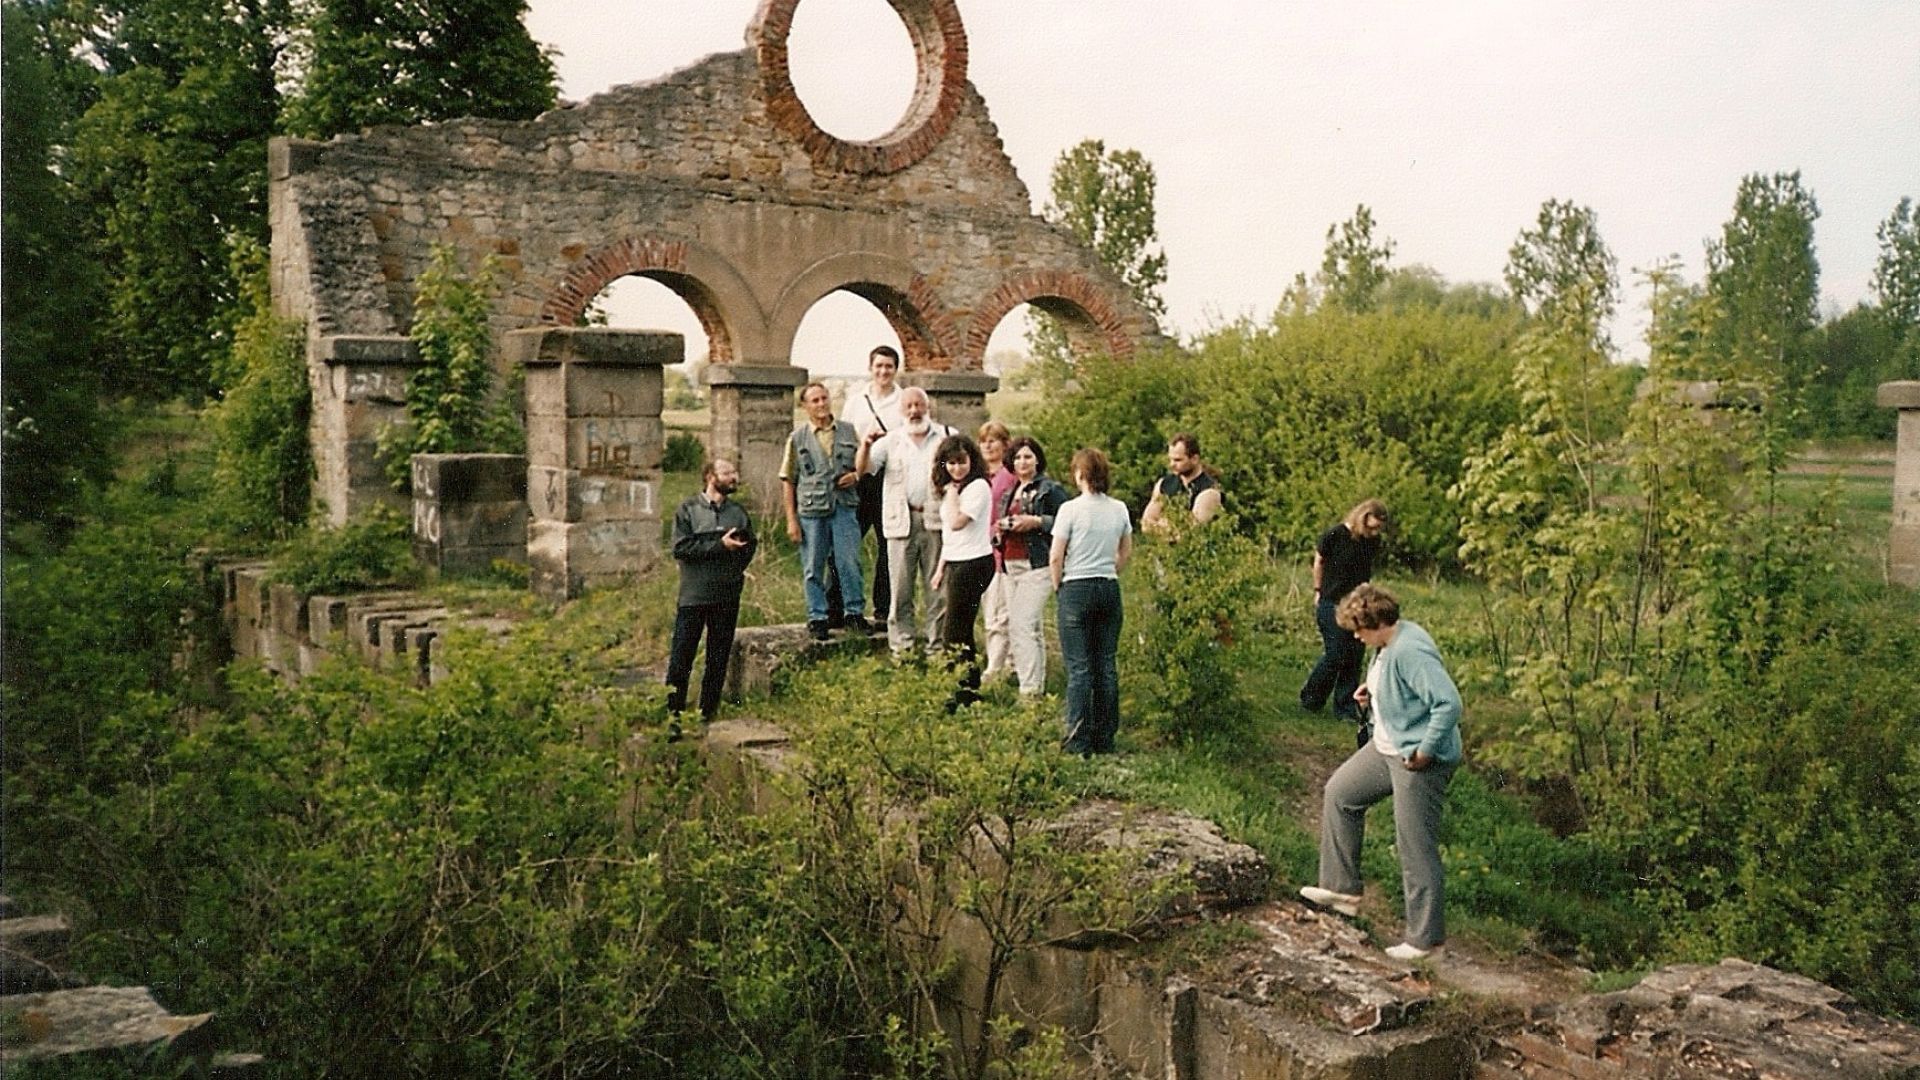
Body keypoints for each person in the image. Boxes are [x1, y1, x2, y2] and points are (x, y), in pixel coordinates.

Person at [1299, 583, 1462, 962]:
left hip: (1417, 759)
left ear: (1375, 623)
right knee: (1340, 794)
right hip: (1385, 747)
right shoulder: (1387, 645)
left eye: (1358, 630)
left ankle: (1426, 941)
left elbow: (1448, 704)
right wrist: (1372, 695)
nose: (1356, 637)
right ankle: (1342, 891)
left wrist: (1425, 751)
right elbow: (1398, 686)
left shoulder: (1410, 649)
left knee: (1414, 843)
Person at [855, 386, 956, 657]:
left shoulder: (946, 437)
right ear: (901, 411)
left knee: (937, 589)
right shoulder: (891, 441)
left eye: (918, 405)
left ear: (928, 407)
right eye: (908, 406)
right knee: (900, 589)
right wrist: (865, 445)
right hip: (900, 520)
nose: (914, 411)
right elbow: (863, 470)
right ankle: (903, 649)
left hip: (936, 520)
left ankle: (937, 649)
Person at [1050, 448, 1133, 755]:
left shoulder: (1070, 510)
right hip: (1108, 586)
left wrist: (1059, 585)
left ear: (1080, 475)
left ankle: (1077, 737)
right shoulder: (1119, 509)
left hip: (1076, 585)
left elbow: (1057, 554)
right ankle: (1105, 735)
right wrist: (1112, 570)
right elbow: (1126, 550)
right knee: (1106, 665)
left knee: (1079, 667)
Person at [665, 458, 757, 726]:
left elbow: (750, 545)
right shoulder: (688, 509)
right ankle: (673, 718)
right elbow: (681, 549)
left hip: (726, 596)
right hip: (693, 596)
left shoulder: (738, 513)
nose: (734, 477)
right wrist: (719, 546)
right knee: (682, 659)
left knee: (718, 660)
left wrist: (734, 569)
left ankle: (707, 716)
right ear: (710, 476)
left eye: (734, 472)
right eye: (727, 472)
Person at [781, 381, 869, 642]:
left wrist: (856, 475)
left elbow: (862, 465)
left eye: (824, 398)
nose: (821, 404)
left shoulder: (848, 430)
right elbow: (788, 479)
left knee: (849, 562)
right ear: (805, 406)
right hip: (811, 511)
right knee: (812, 566)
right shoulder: (797, 438)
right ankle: (817, 617)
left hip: (844, 507)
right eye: (815, 400)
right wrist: (791, 520)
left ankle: (853, 613)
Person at [1300, 499, 1390, 721]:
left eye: (1378, 528)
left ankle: (1345, 706)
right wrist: (1318, 589)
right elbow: (1319, 560)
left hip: (1357, 603)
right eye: (1371, 527)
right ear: (1363, 517)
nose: (1374, 532)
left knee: (1354, 654)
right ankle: (1311, 697)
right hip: (1331, 601)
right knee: (1336, 652)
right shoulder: (1336, 535)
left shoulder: (1372, 542)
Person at [993, 437, 1070, 697]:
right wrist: (1000, 530)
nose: (1022, 462)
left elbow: (1068, 520)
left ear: (1037, 459)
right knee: (1029, 627)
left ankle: (1029, 690)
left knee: (1022, 623)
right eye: (1017, 458)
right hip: (1009, 562)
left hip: (1037, 562)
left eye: (1027, 456)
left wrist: (1037, 521)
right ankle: (1035, 684)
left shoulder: (1050, 489)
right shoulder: (1008, 492)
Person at [838, 345, 905, 622]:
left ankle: (882, 608)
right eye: (879, 366)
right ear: (870, 368)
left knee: (887, 545)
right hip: (859, 477)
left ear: (895, 369)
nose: (883, 372)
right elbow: (844, 436)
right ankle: (838, 606)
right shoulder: (856, 400)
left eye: (888, 366)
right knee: (846, 543)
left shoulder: (903, 400)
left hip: (890, 479)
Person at [929, 434, 995, 709]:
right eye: (951, 463)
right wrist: (940, 567)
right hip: (956, 560)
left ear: (972, 461)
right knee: (960, 631)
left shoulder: (977, 487)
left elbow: (957, 522)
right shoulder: (952, 490)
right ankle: (967, 690)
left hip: (974, 562)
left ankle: (960, 692)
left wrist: (953, 494)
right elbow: (948, 535)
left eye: (962, 462)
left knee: (954, 632)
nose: (957, 468)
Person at [977, 420, 1018, 681]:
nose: (988, 445)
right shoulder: (978, 474)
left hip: (1004, 550)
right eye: (984, 440)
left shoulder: (1010, 476)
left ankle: (997, 669)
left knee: (1001, 612)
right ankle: (1005, 664)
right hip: (979, 550)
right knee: (991, 610)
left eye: (994, 440)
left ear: (1006, 444)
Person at [1140, 432, 1222, 535]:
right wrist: (1171, 529)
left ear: (1194, 459)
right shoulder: (1165, 484)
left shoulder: (1209, 491)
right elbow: (1146, 524)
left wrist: (1162, 524)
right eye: (1170, 459)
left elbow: (1192, 534)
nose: (1172, 464)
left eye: (1178, 460)